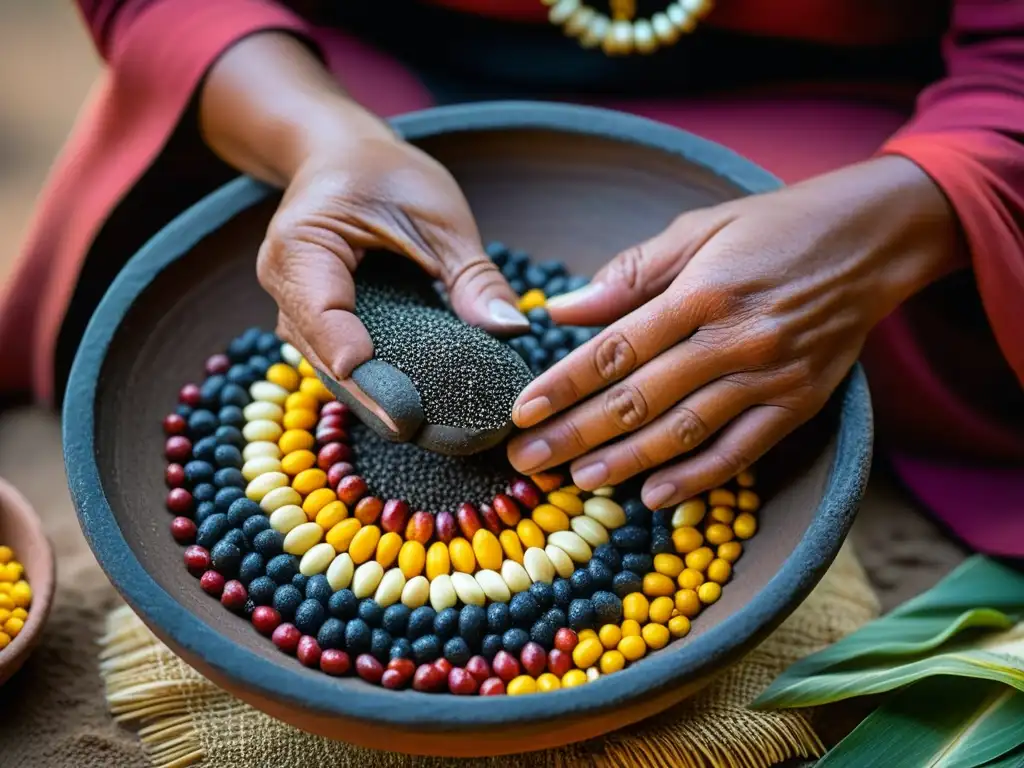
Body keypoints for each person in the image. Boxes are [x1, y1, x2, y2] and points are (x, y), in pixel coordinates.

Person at [1, 0, 1020, 554]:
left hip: (825, 134)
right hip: (340, 77)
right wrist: (314, 136)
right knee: (214, 261)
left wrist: (899, 214)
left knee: (774, 371)